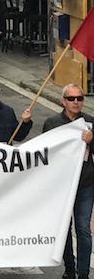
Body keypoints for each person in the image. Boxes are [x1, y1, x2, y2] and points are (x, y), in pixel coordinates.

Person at [43, 84, 94, 279]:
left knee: (83, 229)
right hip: (61, 184)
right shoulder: (52, 123)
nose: (76, 102)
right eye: (71, 98)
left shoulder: (90, 122)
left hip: (85, 182)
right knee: (64, 229)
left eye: (79, 98)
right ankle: (70, 269)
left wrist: (91, 141)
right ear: (63, 101)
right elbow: (44, 153)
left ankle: (83, 274)